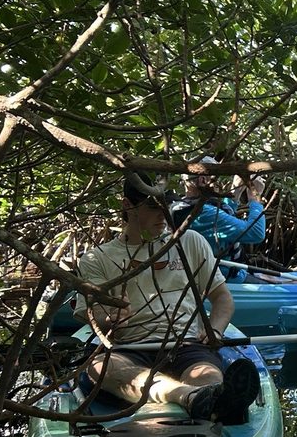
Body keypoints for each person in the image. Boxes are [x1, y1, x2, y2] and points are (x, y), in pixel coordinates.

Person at [73, 174, 259, 424]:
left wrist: (215, 328)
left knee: (209, 375)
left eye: (166, 204)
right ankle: (194, 399)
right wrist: (108, 320)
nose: (163, 213)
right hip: (128, 349)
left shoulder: (189, 242)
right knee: (100, 368)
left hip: (186, 344)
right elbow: (92, 317)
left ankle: (215, 396)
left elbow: (222, 299)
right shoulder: (97, 259)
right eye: (153, 206)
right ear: (128, 206)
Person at [171, 156, 267, 269]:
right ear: (203, 180)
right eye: (217, 179)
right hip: (223, 277)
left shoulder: (180, 207)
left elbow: (222, 220)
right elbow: (256, 233)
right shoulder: (205, 213)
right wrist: (255, 198)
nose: (219, 185)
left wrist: (235, 192)